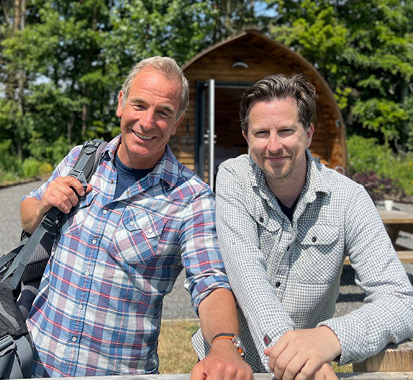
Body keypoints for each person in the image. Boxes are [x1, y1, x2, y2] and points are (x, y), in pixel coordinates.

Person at [20, 56, 252, 379]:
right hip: (33, 362)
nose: (146, 122)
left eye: (163, 113)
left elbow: (210, 283)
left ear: (178, 121)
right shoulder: (81, 160)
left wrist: (225, 345)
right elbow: (28, 215)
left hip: (117, 373)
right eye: (139, 105)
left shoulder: (191, 198)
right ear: (121, 103)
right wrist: (44, 202)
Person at [194, 74, 413, 380]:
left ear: (309, 133)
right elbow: (249, 280)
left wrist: (330, 338)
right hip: (236, 367)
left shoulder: (349, 198)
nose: (273, 145)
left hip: (308, 370)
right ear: (247, 137)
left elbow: (403, 302)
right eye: (261, 133)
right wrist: (294, 355)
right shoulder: (233, 179)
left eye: (286, 131)